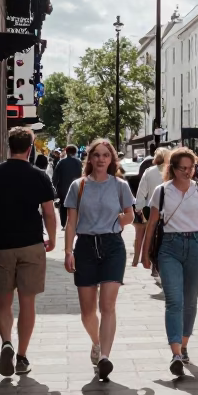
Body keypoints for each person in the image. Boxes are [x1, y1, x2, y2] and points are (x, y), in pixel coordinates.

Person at [0, 127, 57, 378]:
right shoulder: (40, 176)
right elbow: (49, 213)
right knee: (27, 302)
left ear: (8, 146)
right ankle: (21, 356)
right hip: (31, 244)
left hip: (0, 245)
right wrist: (52, 238)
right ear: (30, 149)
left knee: (3, 301)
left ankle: (6, 341)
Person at [142, 147, 198, 378]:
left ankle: (184, 344)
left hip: (197, 245)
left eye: (191, 168)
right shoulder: (162, 191)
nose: (188, 172)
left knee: (190, 300)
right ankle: (176, 353)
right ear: (173, 169)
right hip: (169, 247)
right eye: (183, 168)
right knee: (174, 301)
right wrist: (145, 253)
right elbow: (152, 224)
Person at [63, 139, 135, 382]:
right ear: (90, 159)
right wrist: (68, 251)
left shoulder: (120, 186)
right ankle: (96, 343)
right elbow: (71, 222)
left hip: (113, 246)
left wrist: (118, 221)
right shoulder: (78, 186)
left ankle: (104, 356)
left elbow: (130, 215)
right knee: (87, 311)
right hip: (84, 247)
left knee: (107, 306)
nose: (101, 159)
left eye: (106, 155)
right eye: (97, 155)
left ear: (111, 159)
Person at [133, 148, 169, 266]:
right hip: (169, 209)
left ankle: (149, 257)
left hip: (152, 208)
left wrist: (139, 208)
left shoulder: (149, 172)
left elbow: (141, 192)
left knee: (151, 234)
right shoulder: (172, 171)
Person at [52, 144, 83, 228]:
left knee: (63, 206)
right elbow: (81, 176)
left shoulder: (61, 162)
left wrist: (54, 187)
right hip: (76, 188)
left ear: (66, 151)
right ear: (75, 152)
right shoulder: (79, 162)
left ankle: (63, 223)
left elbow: (55, 176)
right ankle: (74, 222)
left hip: (63, 188)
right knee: (75, 206)